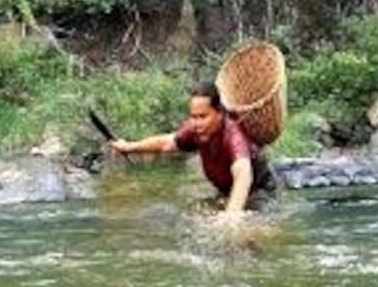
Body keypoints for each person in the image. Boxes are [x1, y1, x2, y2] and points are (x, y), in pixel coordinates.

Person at [107, 81, 278, 217]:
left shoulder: (233, 136)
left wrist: (231, 217)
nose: (196, 123)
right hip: (226, 191)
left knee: (239, 229)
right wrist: (129, 147)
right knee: (195, 216)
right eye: (194, 116)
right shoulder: (195, 130)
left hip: (258, 193)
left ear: (219, 112)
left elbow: (243, 175)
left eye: (203, 117)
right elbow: (166, 143)